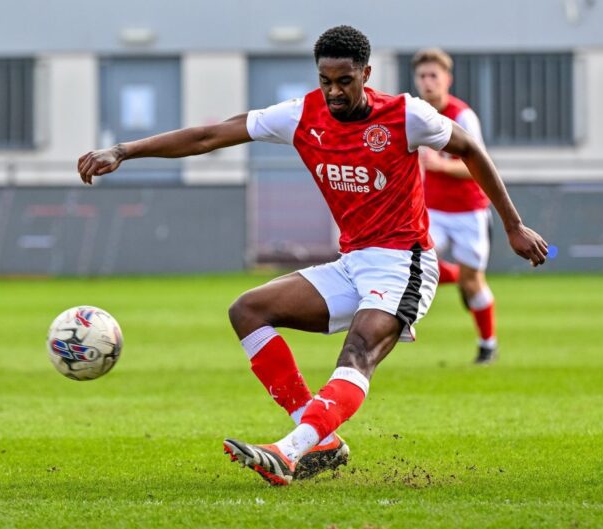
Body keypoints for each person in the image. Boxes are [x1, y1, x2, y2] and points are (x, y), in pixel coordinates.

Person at [77, 25, 548, 486]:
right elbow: (209, 136)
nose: (334, 91)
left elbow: (469, 148)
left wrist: (511, 224)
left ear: (366, 73)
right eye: (325, 81)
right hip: (354, 262)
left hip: (405, 261)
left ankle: (289, 451)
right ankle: (317, 437)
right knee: (248, 310)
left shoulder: (406, 114)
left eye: (345, 81)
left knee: (358, 351)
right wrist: (123, 150)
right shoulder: (301, 115)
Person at [412, 48, 499, 364]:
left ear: (447, 79)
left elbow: (479, 165)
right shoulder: (415, 114)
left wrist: (439, 166)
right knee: (415, 264)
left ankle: (487, 343)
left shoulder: (462, 116)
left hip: (469, 212)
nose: (427, 82)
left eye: (433, 75)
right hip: (432, 210)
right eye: (422, 76)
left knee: (472, 282)